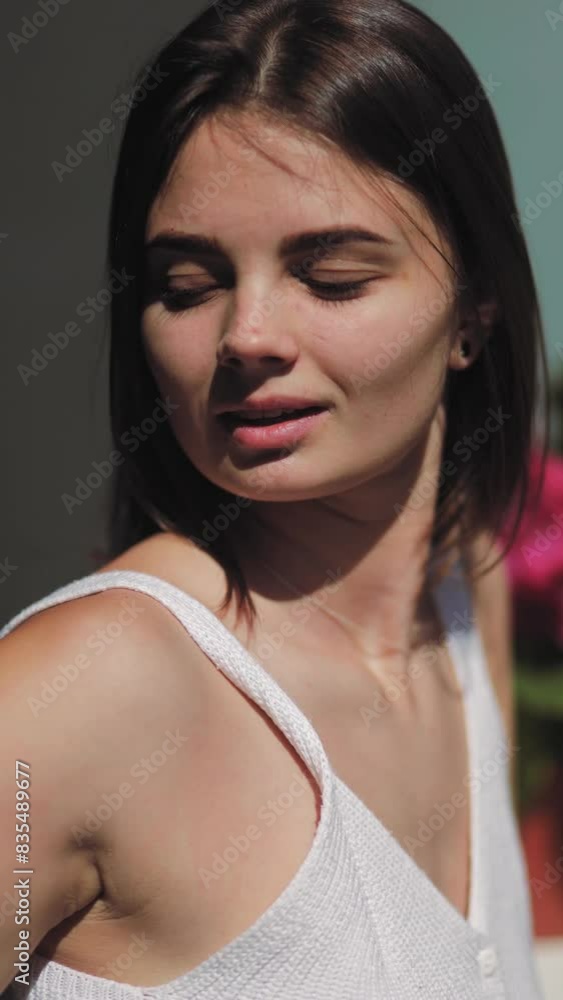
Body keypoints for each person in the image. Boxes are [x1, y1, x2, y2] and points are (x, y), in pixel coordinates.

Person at [0, 0, 550, 996]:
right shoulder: (99, 681)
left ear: (472, 313)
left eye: (330, 276)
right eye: (186, 284)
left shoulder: (465, 598)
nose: (247, 334)